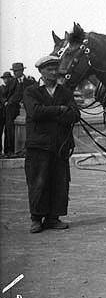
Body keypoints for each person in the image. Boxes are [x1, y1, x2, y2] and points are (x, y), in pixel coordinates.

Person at [23, 54, 80, 232]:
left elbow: (75, 115)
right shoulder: (31, 91)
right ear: (41, 71)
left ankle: (53, 218)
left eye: (56, 69)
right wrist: (60, 110)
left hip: (60, 145)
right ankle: (36, 219)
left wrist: (53, 113)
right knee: (38, 181)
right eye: (49, 69)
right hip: (38, 145)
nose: (54, 72)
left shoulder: (65, 92)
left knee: (59, 183)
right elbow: (35, 112)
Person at [3, 62, 33, 157]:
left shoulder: (30, 81)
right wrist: (5, 102)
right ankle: (10, 151)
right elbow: (3, 93)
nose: (15, 73)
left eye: (17, 71)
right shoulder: (11, 82)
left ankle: (26, 149)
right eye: (14, 71)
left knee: (29, 126)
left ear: (22, 71)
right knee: (9, 129)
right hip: (11, 108)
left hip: (26, 108)